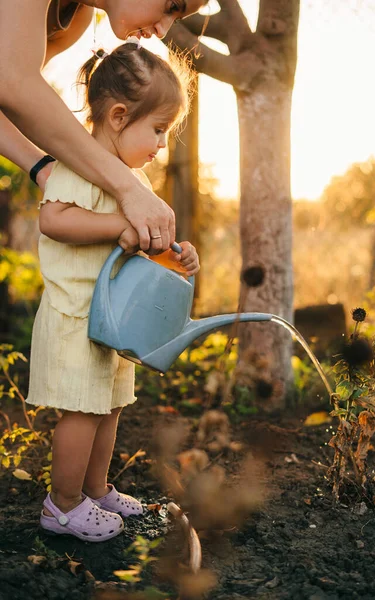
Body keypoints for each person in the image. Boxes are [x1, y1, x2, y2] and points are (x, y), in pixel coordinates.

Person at [26, 38, 200, 542]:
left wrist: (178, 253)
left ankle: (96, 491)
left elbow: (145, 240)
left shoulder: (133, 178)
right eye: (160, 129)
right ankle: (61, 506)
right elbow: (53, 219)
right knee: (81, 411)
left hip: (112, 320)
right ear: (119, 116)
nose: (162, 144)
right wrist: (114, 227)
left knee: (108, 406)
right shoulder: (78, 165)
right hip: (76, 315)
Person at [0, 0, 207, 253]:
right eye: (172, 5)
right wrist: (129, 190)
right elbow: (12, 81)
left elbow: (9, 94)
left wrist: (41, 168)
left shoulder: (75, 18)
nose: (163, 30)